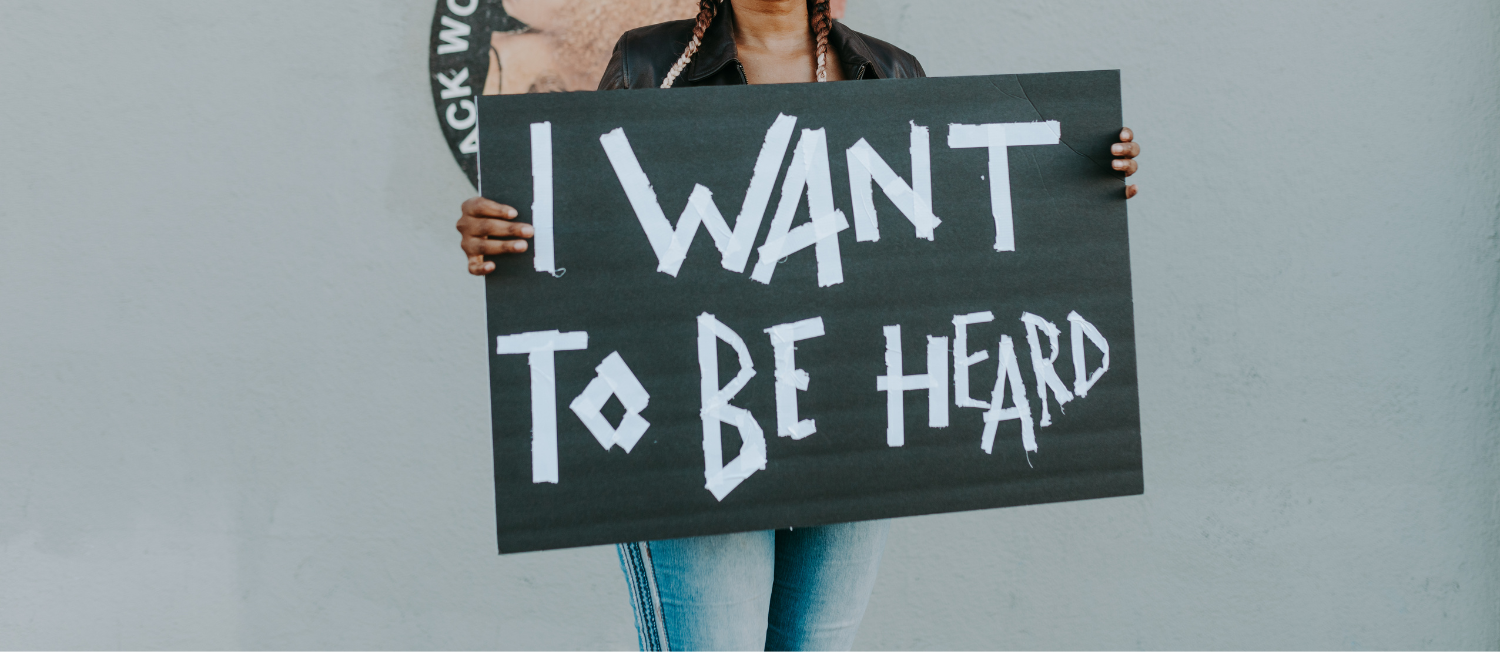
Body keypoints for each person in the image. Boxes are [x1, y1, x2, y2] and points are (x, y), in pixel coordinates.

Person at [455, 1, 1142, 649]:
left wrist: (1077, 175)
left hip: (848, 433)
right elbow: (592, 225)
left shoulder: (890, 70)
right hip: (694, 443)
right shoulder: (648, 64)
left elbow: (953, 241)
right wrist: (506, 237)